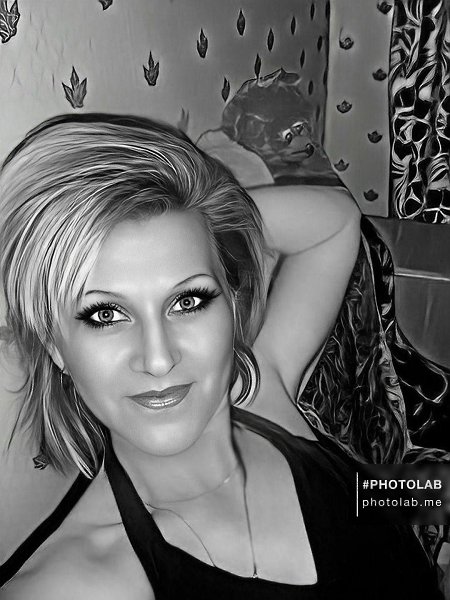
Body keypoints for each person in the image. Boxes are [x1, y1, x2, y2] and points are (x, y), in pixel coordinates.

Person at [0, 114, 442, 599]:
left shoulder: (259, 393)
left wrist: (204, 221)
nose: (159, 359)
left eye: (188, 300)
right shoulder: (79, 582)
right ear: (55, 346)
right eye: (106, 315)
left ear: (230, 305)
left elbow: (337, 220)